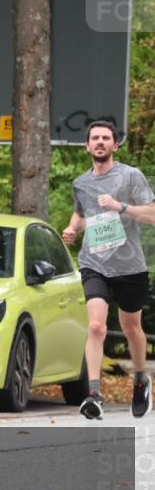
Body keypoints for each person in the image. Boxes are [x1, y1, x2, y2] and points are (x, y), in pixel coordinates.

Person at [62, 120, 155, 420]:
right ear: (87, 146)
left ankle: (140, 380)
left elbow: (152, 214)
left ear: (115, 145)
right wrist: (72, 228)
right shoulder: (81, 183)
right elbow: (81, 213)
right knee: (95, 327)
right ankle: (93, 395)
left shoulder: (130, 176)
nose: (100, 142)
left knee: (131, 328)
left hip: (129, 266)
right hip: (94, 263)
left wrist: (121, 207)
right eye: (95, 138)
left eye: (105, 138)